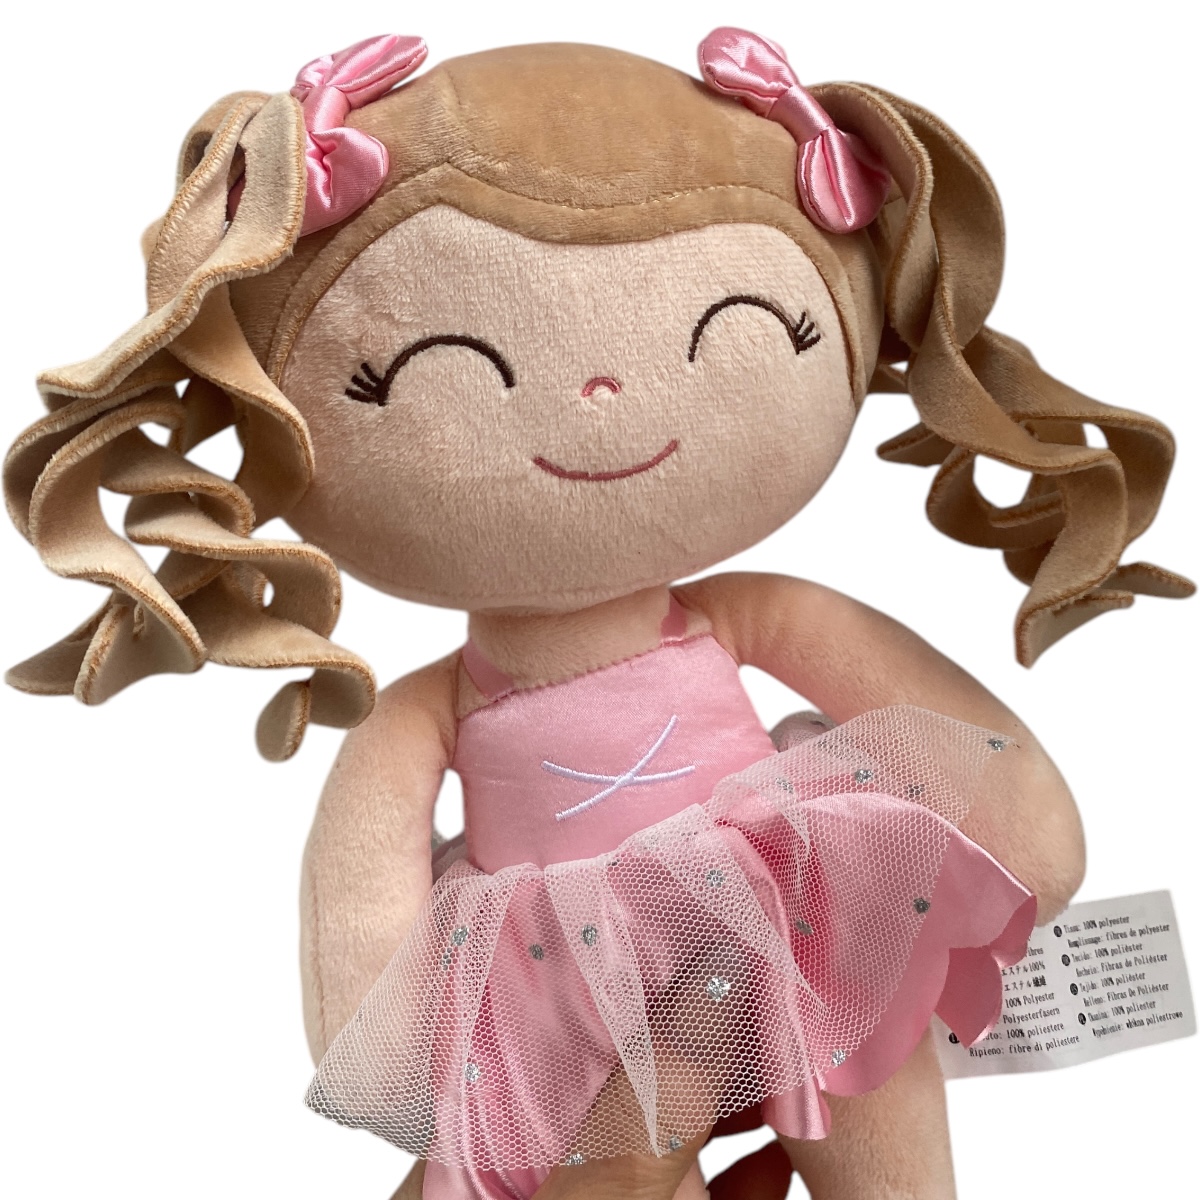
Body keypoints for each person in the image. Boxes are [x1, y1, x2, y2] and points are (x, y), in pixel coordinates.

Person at [5, 28, 1188, 1200]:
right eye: (433, 365)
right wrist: (389, 1050)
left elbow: (952, 743)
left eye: (738, 330)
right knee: (611, 1144)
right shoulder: (424, 712)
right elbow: (363, 924)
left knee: (860, 1046)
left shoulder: (752, 614)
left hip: (784, 898)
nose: (600, 399)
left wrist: (1025, 836)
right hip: (556, 977)